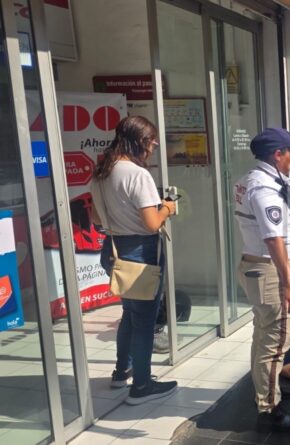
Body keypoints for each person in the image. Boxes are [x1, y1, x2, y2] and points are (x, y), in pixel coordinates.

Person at [90, 116, 178, 405]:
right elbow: (152, 223)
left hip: (113, 248)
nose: (152, 148)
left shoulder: (103, 170)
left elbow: (94, 217)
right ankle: (141, 386)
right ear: (140, 141)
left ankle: (121, 371)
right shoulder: (137, 175)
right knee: (143, 322)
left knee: (130, 313)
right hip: (140, 252)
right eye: (151, 142)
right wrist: (167, 208)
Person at [233, 128, 290, 432]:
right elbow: (272, 237)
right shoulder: (264, 188)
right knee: (276, 342)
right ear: (278, 154)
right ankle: (269, 409)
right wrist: (288, 281)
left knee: (263, 335)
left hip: (263, 269)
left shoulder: (259, 179)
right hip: (271, 271)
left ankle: (267, 388)